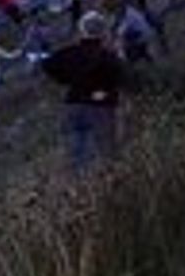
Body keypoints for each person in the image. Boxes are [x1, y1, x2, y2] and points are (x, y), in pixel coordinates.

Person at [40, 12, 127, 170]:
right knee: (106, 154)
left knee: (77, 158)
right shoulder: (107, 55)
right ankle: (105, 189)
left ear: (82, 30)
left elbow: (47, 65)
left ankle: (79, 190)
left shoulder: (69, 52)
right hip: (101, 107)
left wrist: (65, 80)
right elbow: (122, 76)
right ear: (103, 31)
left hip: (72, 106)